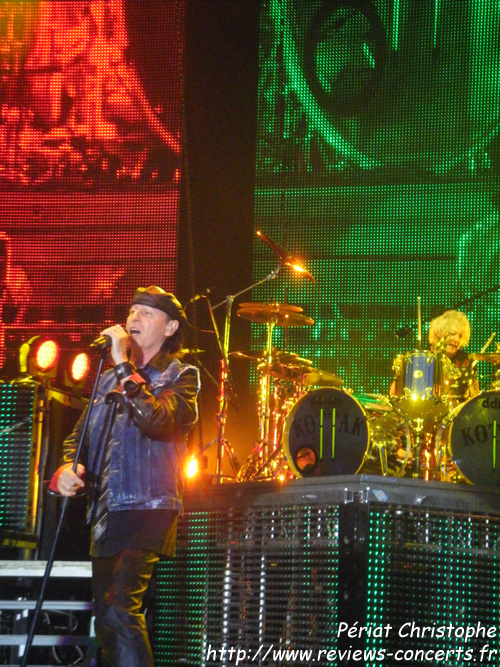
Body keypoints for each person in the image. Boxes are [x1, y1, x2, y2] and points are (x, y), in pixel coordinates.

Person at [50, 285, 200, 667]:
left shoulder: (181, 375)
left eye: (146, 313)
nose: (134, 318)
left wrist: (122, 366)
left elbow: (158, 421)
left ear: (170, 328)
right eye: (132, 311)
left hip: (149, 508)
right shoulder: (105, 381)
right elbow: (78, 440)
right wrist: (67, 467)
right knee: (107, 621)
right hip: (106, 513)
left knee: (119, 608)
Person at [427, 309, 479, 401]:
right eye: (452, 334)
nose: (457, 340)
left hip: (460, 409)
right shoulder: (423, 357)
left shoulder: (466, 360)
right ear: (438, 333)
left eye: (460, 336)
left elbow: (475, 398)